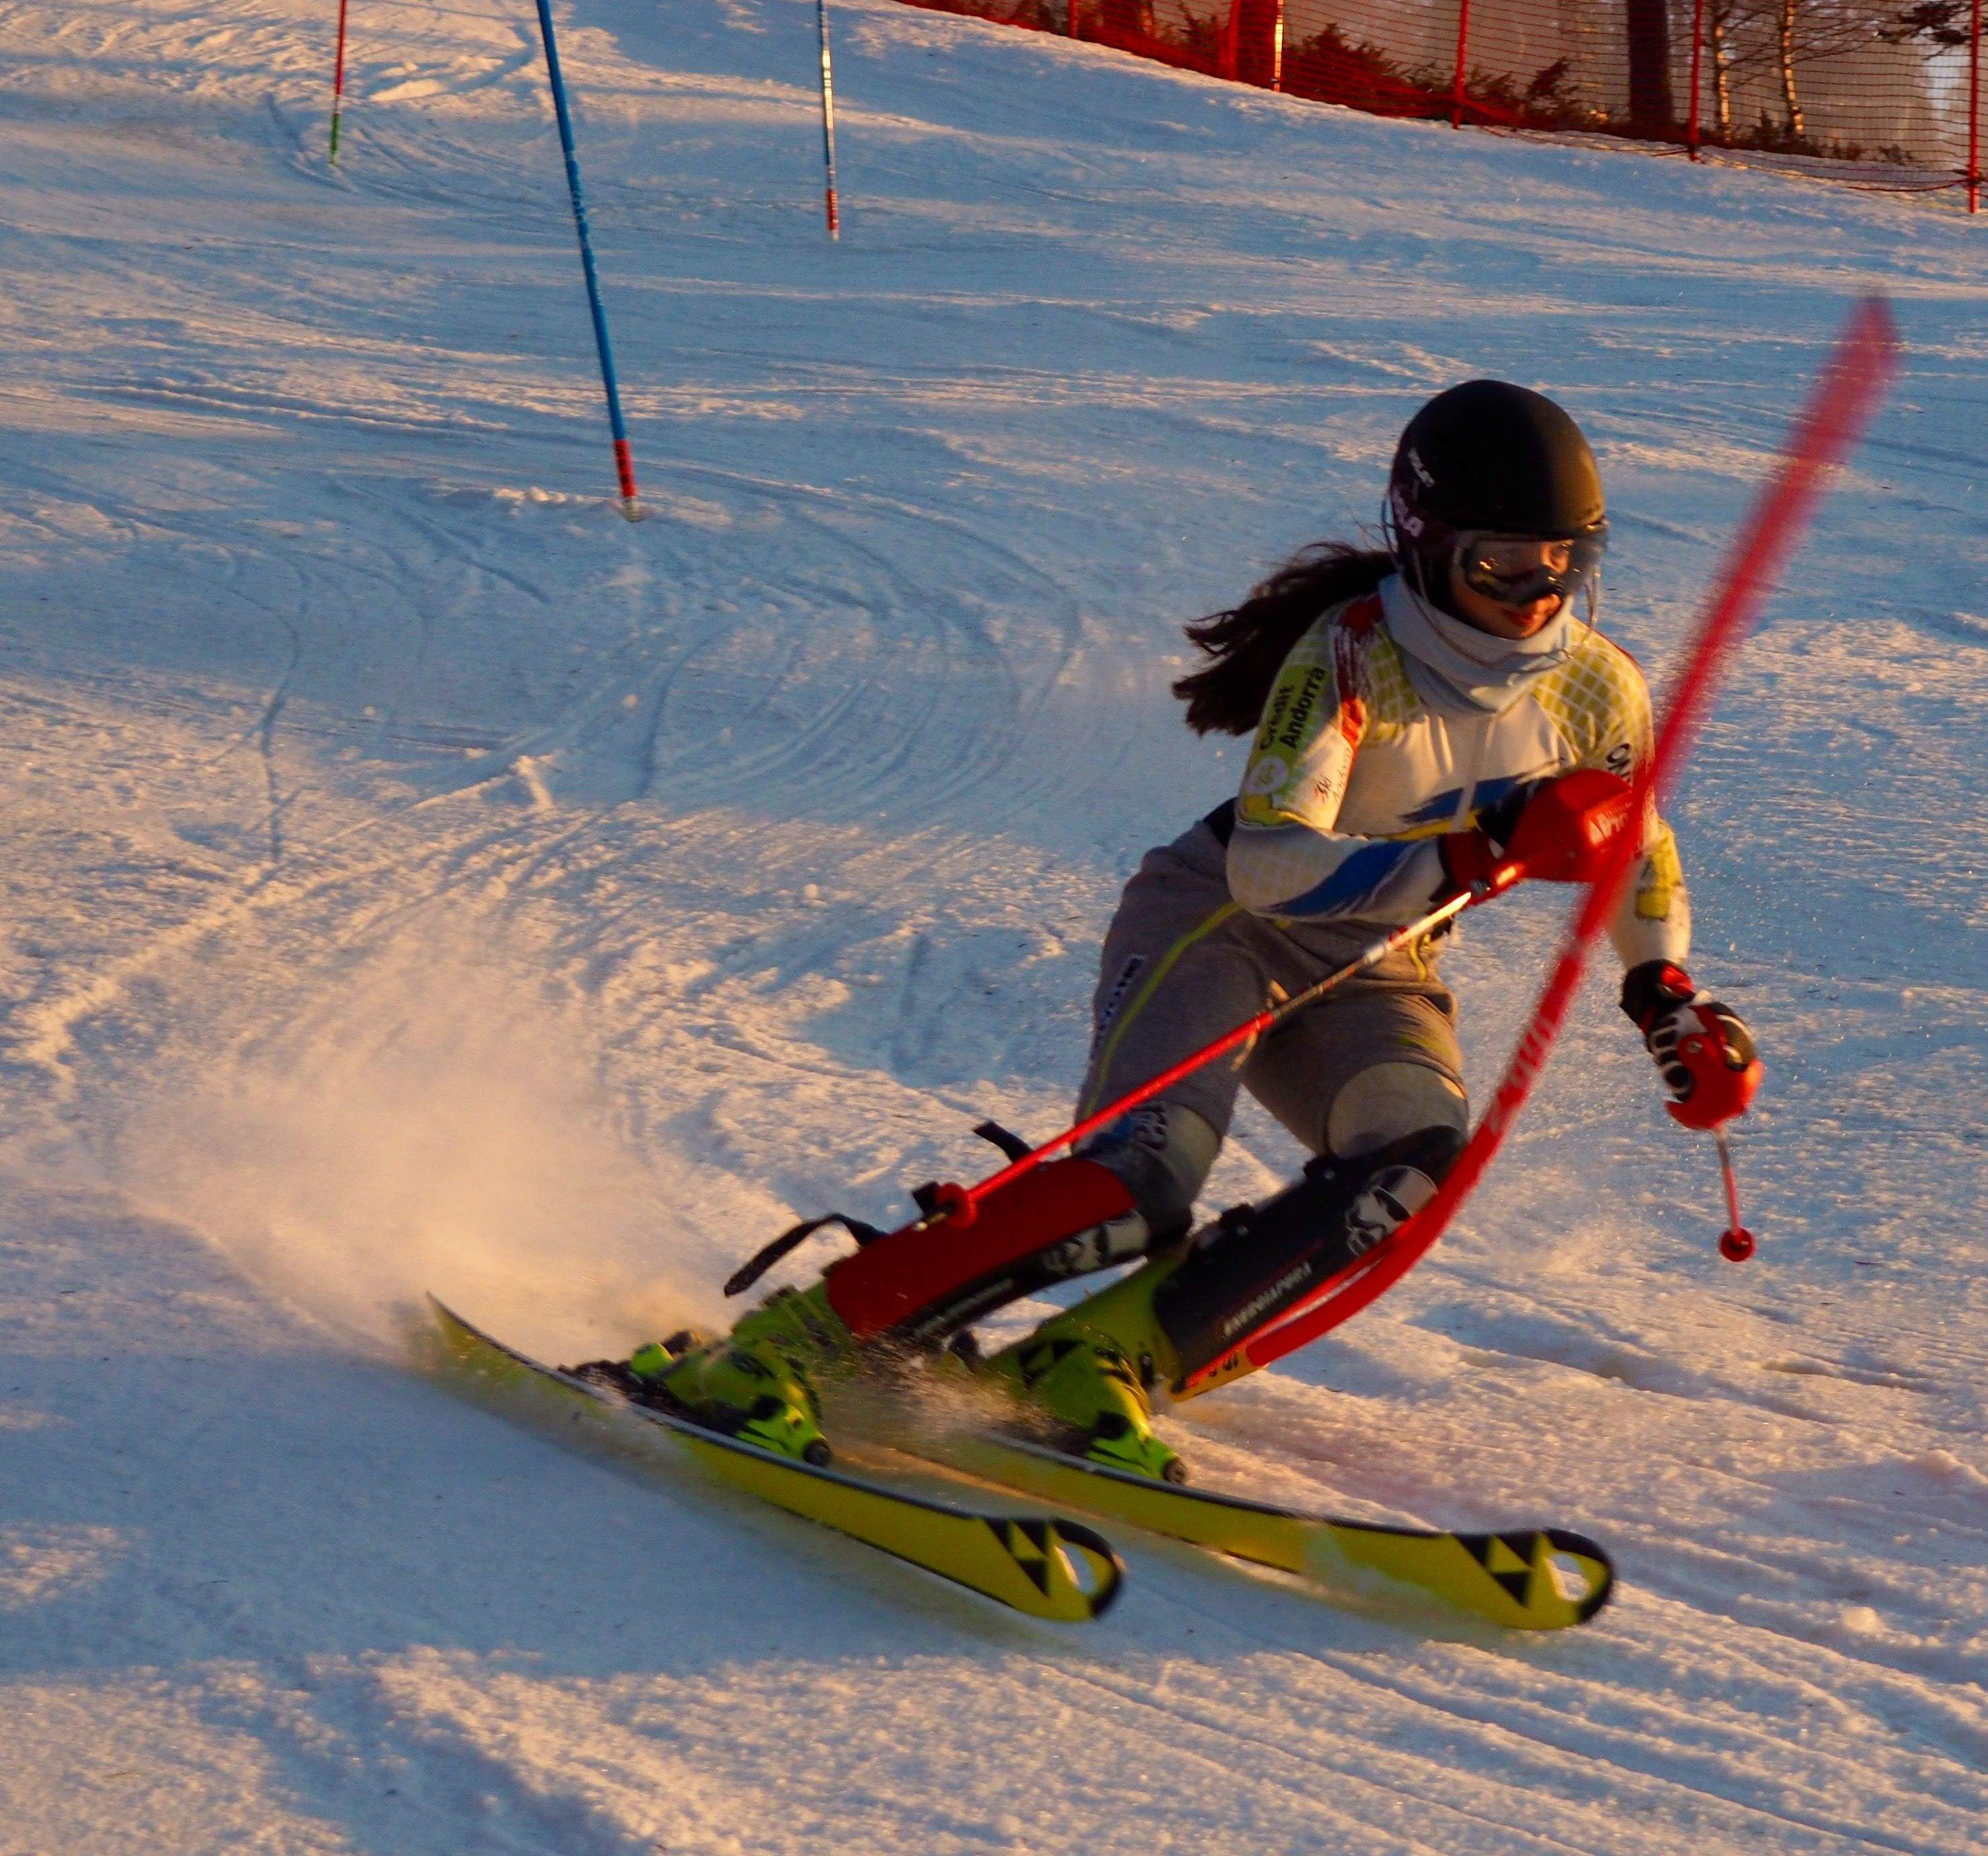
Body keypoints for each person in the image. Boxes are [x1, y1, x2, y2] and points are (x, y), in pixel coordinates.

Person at [591, 380, 1760, 1478]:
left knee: (1412, 1161)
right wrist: (1470, 851)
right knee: (1143, 1184)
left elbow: (1636, 845)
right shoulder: (1354, 652)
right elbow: (1268, 868)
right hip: (1222, 924)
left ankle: (1105, 1362)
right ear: (1425, 538)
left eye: (1565, 560)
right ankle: (785, 1347)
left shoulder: (1596, 687)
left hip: (1375, 965)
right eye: (1502, 562)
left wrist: (1663, 994)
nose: (1536, 593)